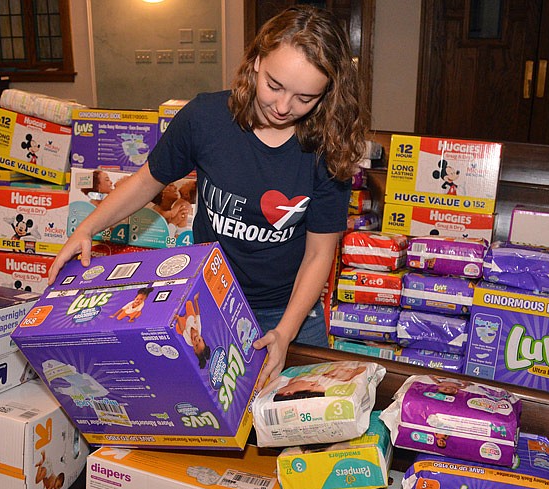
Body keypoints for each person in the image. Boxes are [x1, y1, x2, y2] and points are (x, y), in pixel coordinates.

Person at [47, 5, 368, 391]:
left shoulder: (329, 147)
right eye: (274, 85)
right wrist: (88, 226)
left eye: (304, 98)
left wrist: (285, 331)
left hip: (290, 313)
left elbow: (320, 253)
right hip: (207, 303)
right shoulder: (206, 118)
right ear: (256, 61)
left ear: (326, 94)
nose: (283, 107)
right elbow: (147, 181)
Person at [175, 293, 210, 368]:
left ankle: (182, 318)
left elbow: (182, 329)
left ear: (194, 349)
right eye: (199, 340)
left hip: (184, 325)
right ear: (202, 338)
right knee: (189, 303)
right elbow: (197, 312)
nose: (196, 339)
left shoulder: (188, 340)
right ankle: (185, 315)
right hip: (190, 318)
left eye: (196, 345)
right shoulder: (198, 327)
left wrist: (178, 318)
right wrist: (195, 300)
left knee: (177, 327)